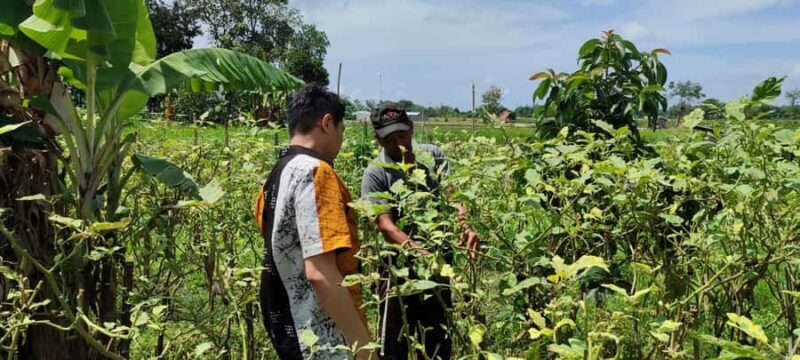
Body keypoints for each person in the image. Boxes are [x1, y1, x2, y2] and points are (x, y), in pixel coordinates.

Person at [255, 84, 373, 359]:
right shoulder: (316, 173)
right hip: (321, 337)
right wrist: (365, 350)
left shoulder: (276, 175)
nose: (342, 140)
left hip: (287, 326)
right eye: (342, 130)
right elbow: (320, 273)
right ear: (328, 123)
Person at [361, 102, 480, 359]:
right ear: (378, 140)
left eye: (402, 135)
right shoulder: (376, 173)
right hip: (397, 269)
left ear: (412, 129)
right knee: (394, 344)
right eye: (389, 139)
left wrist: (464, 225)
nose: (399, 144)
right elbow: (385, 224)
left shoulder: (432, 156)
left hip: (438, 263)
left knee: (438, 341)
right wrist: (421, 253)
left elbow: (453, 198)